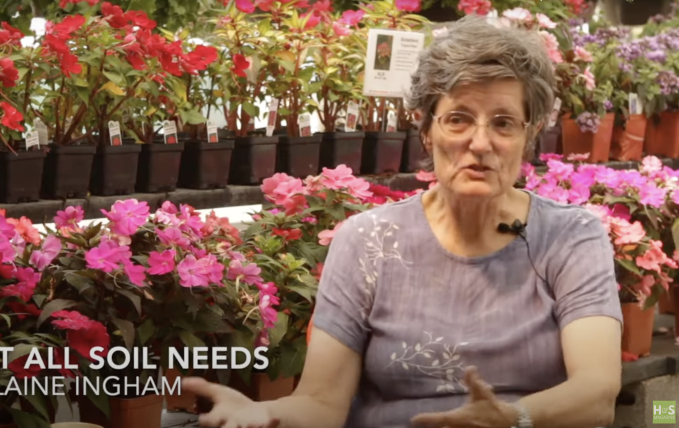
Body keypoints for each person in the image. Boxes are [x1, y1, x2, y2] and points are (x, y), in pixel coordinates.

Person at [183, 15, 622, 428]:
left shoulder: (569, 238)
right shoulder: (367, 241)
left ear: (529, 136)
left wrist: (510, 418)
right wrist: (266, 412)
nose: (480, 142)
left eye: (503, 123)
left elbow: (597, 392)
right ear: (426, 130)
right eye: (458, 119)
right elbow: (320, 402)